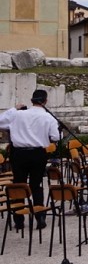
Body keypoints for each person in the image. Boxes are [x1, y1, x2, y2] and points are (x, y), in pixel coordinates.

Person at [0, 89, 60, 229]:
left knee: (19, 184)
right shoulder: (48, 117)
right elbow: (56, 137)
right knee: (36, 185)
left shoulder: (17, 115)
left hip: (19, 154)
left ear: (31, 100)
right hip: (37, 154)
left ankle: (18, 219)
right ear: (45, 101)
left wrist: (14, 109)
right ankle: (39, 217)